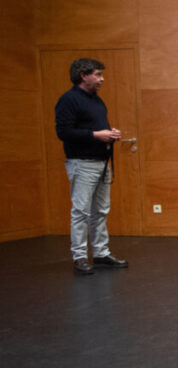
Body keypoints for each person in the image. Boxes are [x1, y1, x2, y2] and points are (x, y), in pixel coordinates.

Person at [55, 58, 129, 275]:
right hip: (82, 163)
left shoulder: (97, 100)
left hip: (102, 162)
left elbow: (96, 129)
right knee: (81, 211)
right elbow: (63, 132)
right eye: (97, 74)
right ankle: (79, 257)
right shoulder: (68, 100)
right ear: (83, 75)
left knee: (101, 210)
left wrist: (110, 134)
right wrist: (97, 135)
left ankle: (100, 253)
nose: (101, 79)